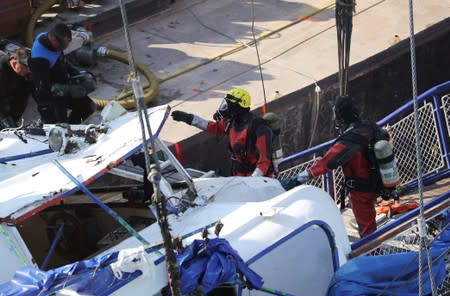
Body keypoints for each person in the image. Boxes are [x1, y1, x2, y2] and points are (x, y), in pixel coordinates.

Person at [281, 95, 390, 237]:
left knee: (368, 231)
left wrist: (295, 180)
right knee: (368, 223)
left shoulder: (347, 142)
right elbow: (386, 138)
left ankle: (373, 254)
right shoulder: (370, 127)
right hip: (379, 182)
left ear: (340, 116)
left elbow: (324, 164)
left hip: (361, 191)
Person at [171, 88, 275, 177]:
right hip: (238, 175)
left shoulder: (259, 128)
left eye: (228, 105)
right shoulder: (231, 122)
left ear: (238, 107)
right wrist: (188, 118)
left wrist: (253, 182)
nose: (225, 108)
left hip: (260, 179)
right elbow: (211, 126)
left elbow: (264, 161)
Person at [29, 23, 96, 124]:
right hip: (50, 98)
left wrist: (74, 71)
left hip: (63, 85)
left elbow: (59, 59)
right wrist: (70, 90)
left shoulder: (51, 41)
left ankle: (73, 127)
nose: (63, 48)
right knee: (60, 127)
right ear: (54, 39)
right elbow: (44, 87)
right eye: (62, 45)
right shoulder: (39, 59)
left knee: (87, 107)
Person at [0, 48, 33, 129]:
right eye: (26, 69)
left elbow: (25, 92)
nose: (28, 72)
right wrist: (9, 123)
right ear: (14, 64)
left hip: (11, 100)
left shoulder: (24, 72)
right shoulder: (2, 70)